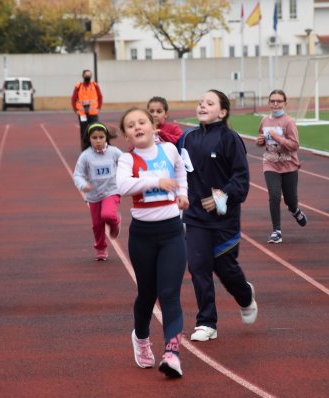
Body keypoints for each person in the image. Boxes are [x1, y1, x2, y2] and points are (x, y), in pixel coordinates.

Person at [179, 89, 258, 343]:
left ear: (222, 112)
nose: (202, 105)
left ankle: (245, 295)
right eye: (200, 101)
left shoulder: (230, 139)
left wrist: (221, 197)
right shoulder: (187, 138)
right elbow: (178, 169)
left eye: (209, 103)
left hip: (224, 219)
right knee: (198, 266)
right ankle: (206, 322)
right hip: (195, 217)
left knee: (225, 268)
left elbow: (241, 179)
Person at [116, 107, 189, 378]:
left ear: (153, 125)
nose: (138, 127)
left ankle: (172, 353)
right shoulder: (127, 160)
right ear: (126, 135)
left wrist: (182, 195)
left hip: (171, 232)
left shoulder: (169, 150)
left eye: (142, 122)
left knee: (169, 294)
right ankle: (141, 338)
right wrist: (155, 180)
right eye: (131, 125)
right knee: (147, 294)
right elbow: (123, 187)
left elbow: (181, 174)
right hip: (142, 236)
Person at [256, 89, 307, 244]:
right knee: (274, 195)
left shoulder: (288, 122)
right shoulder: (264, 121)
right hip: (270, 163)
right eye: (272, 101)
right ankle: (276, 231)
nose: (275, 104)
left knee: (290, 200)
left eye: (279, 101)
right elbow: (261, 139)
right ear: (269, 103)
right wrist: (260, 142)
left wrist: (277, 137)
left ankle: (295, 210)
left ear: (285, 103)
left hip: (289, 165)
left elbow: (295, 145)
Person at [73, 123, 122, 261]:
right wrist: (83, 185)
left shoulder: (114, 152)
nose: (98, 141)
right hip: (94, 195)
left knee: (107, 214)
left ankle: (115, 222)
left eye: (101, 137)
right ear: (89, 139)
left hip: (111, 190)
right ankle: (101, 248)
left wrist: (126, 178)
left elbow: (126, 163)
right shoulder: (85, 156)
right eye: (95, 138)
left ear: (106, 137)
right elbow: (77, 175)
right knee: (97, 224)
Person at [71, 70, 104, 148]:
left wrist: (99, 107)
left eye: (89, 75)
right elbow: (74, 99)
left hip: (93, 113)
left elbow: (100, 97)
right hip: (82, 113)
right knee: (84, 131)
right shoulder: (78, 86)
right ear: (83, 76)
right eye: (86, 75)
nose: (88, 77)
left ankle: (96, 146)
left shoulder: (95, 85)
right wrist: (76, 110)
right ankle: (85, 148)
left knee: (95, 130)